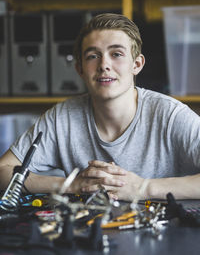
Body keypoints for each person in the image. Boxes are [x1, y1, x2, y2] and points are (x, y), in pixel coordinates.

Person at [0, 13, 200, 201]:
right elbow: (3, 169)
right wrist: (71, 185)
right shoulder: (62, 118)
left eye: (116, 54)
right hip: (87, 232)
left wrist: (144, 188)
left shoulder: (171, 115)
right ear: (80, 69)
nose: (104, 64)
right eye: (93, 56)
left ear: (136, 64)